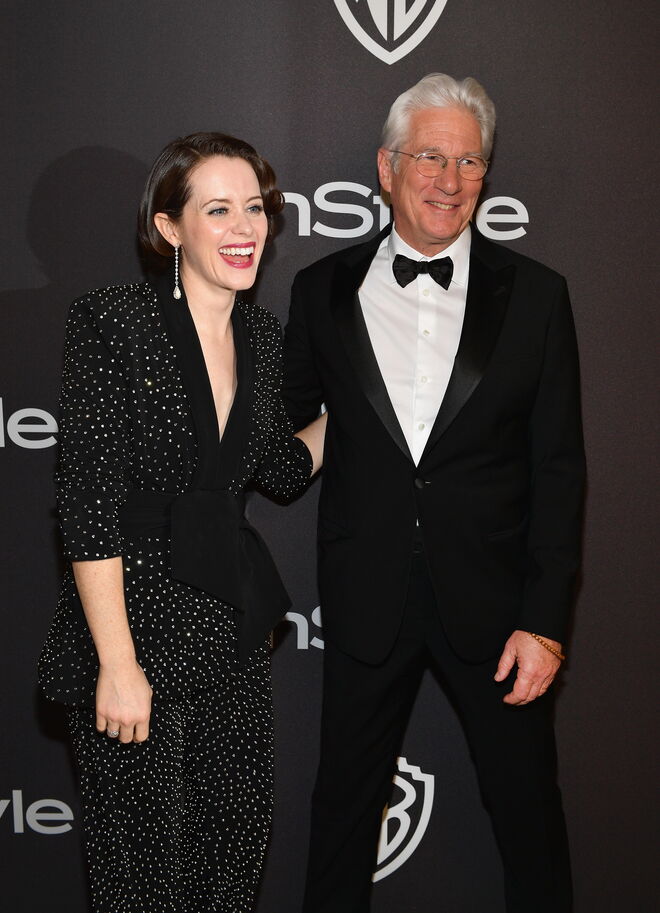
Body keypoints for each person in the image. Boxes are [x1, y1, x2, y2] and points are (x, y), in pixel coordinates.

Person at [284, 74, 585, 913]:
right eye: (429, 156)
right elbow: (291, 426)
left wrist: (548, 620)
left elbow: (560, 466)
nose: (448, 179)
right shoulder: (320, 290)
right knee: (343, 811)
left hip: (497, 612)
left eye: (469, 161)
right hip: (365, 594)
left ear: (486, 176)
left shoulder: (538, 295)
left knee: (529, 814)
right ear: (386, 167)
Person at [38, 132, 326, 913]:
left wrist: (355, 402)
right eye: (219, 209)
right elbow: (88, 504)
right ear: (170, 227)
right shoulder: (113, 321)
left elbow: (280, 468)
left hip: (228, 633)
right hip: (134, 632)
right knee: (142, 881)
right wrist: (118, 664)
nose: (246, 228)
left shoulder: (261, 338)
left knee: (231, 857)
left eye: (257, 209)